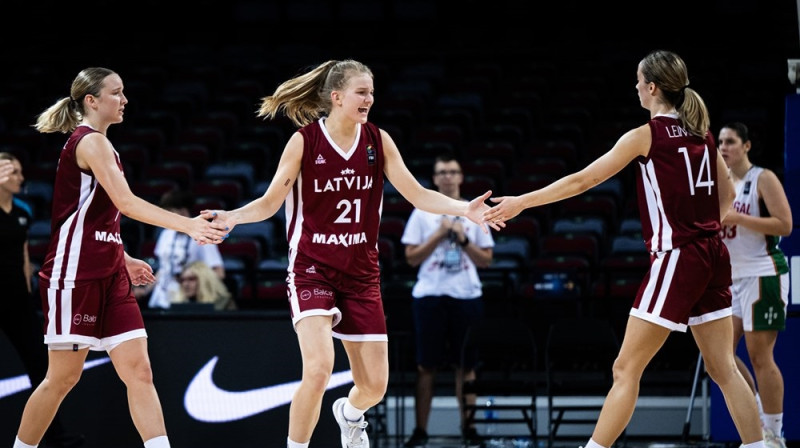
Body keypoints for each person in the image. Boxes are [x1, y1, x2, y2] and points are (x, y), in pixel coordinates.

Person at [200, 59, 500, 448]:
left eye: (372, 92)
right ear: (337, 97)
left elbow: (417, 194)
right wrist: (232, 217)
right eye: (361, 92)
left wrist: (465, 210)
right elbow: (271, 203)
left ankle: (350, 413)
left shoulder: (378, 140)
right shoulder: (305, 141)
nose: (369, 99)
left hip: (361, 274)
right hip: (312, 269)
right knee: (319, 369)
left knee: (374, 386)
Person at [483, 50, 765, 448]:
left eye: (638, 81)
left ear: (651, 88)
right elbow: (730, 194)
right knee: (724, 370)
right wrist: (706, 229)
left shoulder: (646, 135)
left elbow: (581, 181)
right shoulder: (701, 133)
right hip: (713, 255)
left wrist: (521, 202)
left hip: (679, 256)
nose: (634, 87)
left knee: (625, 367)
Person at [12, 67, 227, 448]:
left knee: (139, 370)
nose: (125, 99)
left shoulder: (103, 145)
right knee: (62, 379)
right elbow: (126, 204)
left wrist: (123, 256)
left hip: (111, 273)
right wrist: (188, 226)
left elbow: (98, 217)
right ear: (91, 101)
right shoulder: (89, 143)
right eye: (117, 92)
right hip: (74, 272)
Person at [400, 153, 494, 447]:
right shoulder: (421, 211)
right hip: (430, 295)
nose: (447, 177)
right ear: (435, 178)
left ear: (461, 176)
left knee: (466, 366)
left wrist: (463, 239)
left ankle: (469, 429)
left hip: (466, 295)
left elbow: (487, 260)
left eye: (452, 171)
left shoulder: (475, 210)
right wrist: (439, 234)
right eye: (442, 172)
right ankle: (420, 431)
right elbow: (411, 258)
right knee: (426, 366)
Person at [0, 153, 84, 448]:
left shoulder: (22, 211)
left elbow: (24, 257)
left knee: (40, 365)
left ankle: (55, 435)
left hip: (17, 301)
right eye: (15, 172)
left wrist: (27, 291)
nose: (21, 179)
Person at [718, 121, 792, 448]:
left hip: (764, 273)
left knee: (759, 356)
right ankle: (759, 412)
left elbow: (785, 224)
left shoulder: (762, 178)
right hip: (729, 279)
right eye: (720, 142)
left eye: (731, 141)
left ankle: (774, 434)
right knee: (718, 358)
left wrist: (738, 218)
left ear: (746, 146)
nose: (723, 147)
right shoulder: (718, 186)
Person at [134, 189, 225, 309]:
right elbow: (164, 269)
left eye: (169, 213)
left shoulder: (202, 235)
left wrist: (197, 287)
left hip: (186, 302)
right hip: (159, 299)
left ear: (183, 212)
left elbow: (219, 273)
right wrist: (145, 291)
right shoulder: (166, 234)